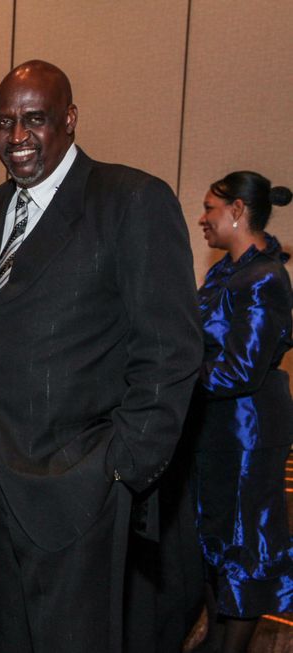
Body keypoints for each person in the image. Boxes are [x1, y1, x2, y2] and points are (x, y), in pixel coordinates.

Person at [0, 60, 202, 652]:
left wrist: (119, 469)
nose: (16, 137)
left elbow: (171, 348)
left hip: (78, 488)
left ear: (69, 120)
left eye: (35, 119)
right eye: (4, 122)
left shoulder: (131, 200)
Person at [189, 171, 293, 653]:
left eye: (211, 207)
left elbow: (241, 370)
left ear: (237, 211)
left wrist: (175, 379)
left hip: (248, 431)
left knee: (245, 543)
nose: (203, 218)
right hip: (219, 428)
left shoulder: (266, 276)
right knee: (213, 538)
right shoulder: (226, 271)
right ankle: (215, 636)